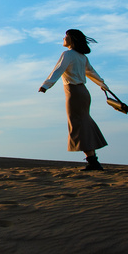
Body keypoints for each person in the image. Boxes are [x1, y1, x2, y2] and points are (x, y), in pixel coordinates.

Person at [39, 29, 109, 171]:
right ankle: (93, 160)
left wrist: (46, 85)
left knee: (78, 124)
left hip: (74, 92)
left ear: (71, 39)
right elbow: (92, 72)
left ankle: (93, 162)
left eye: (66, 36)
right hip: (83, 92)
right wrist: (103, 85)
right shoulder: (82, 57)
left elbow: (58, 70)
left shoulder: (68, 54)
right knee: (84, 122)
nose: (63, 38)